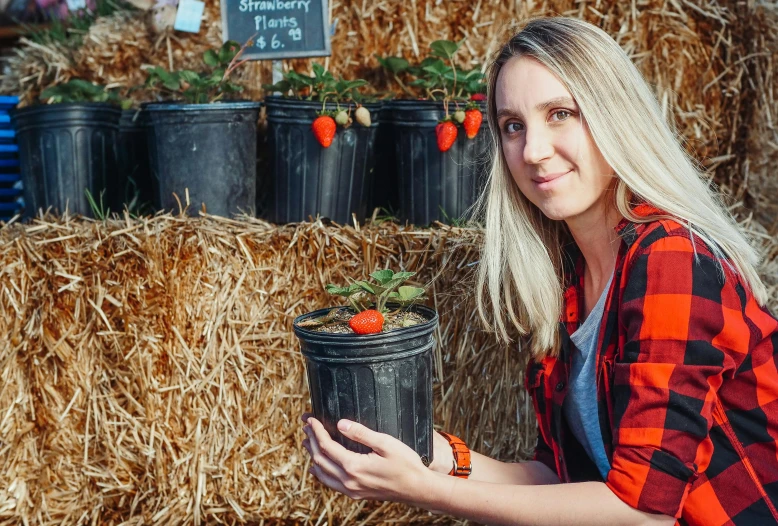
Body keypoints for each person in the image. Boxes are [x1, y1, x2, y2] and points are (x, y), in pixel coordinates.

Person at [300, 16, 778, 525]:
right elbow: (561, 481)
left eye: (560, 114)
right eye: (513, 126)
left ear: (615, 116)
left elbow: (642, 512)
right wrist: (431, 456)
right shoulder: (567, 275)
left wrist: (424, 492)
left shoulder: (672, 257)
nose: (532, 151)